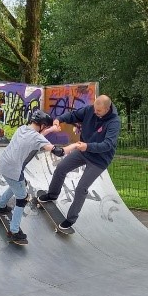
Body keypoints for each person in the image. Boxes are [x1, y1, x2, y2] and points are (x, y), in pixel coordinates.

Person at [0, 109, 78, 243]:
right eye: (46, 126)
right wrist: (75, 145)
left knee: (20, 185)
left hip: (3, 164)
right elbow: (59, 152)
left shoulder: (23, 129)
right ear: (42, 125)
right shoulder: (38, 138)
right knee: (22, 198)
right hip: (13, 170)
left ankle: (0, 206)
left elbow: (39, 135)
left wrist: (52, 129)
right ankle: (14, 231)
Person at [37, 95, 120, 231]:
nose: (95, 112)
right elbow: (73, 115)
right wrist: (59, 120)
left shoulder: (114, 122)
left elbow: (108, 144)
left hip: (100, 159)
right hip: (83, 151)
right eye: (94, 109)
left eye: (98, 111)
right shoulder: (90, 110)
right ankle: (52, 195)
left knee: (81, 188)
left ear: (107, 109)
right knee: (61, 168)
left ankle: (71, 219)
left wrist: (88, 146)